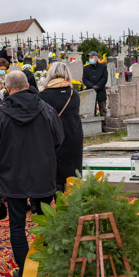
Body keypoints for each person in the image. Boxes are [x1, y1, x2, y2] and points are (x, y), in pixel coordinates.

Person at [0, 71, 63, 277]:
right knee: (45, 219)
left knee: (17, 224)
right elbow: (59, 138)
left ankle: (26, 269)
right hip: (42, 172)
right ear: (28, 86)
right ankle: (45, 263)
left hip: (13, 174)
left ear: (7, 89)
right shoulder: (47, 109)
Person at [39, 62, 83, 193]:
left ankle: (59, 202)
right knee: (73, 170)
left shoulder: (43, 96)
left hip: (53, 137)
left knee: (57, 171)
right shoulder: (73, 94)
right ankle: (74, 201)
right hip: (73, 134)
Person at [82, 51, 108, 118]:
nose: (90, 59)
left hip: (100, 91)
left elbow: (104, 78)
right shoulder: (86, 68)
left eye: (91, 57)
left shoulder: (103, 67)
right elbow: (84, 79)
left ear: (96, 58)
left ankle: (103, 126)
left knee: (102, 110)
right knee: (91, 110)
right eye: (89, 57)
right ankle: (93, 126)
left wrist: (98, 86)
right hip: (90, 91)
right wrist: (91, 86)